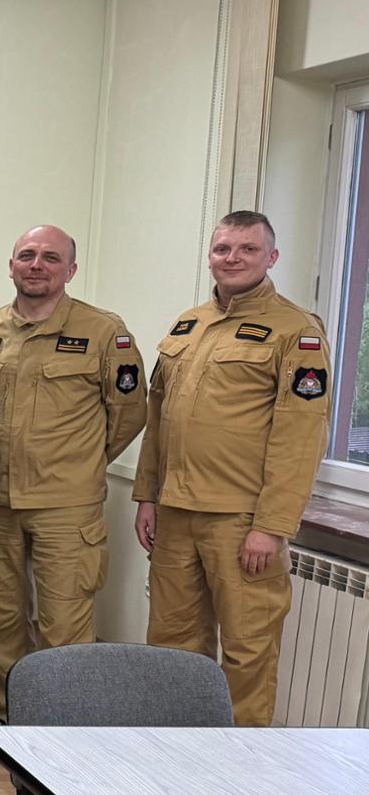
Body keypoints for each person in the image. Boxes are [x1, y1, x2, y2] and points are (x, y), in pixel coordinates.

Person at [136, 210, 332, 727]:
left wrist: (272, 526)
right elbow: (159, 419)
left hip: (242, 521)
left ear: (272, 257)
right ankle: (176, 748)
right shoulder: (189, 324)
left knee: (248, 651)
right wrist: (147, 496)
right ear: (210, 256)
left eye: (248, 249)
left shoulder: (296, 331)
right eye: (223, 248)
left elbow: (301, 436)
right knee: (172, 644)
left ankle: (240, 760)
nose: (233, 258)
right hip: (176, 513)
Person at [0, 225, 146, 761]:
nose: (36, 265)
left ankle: (61, 736)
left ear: (71, 270)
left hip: (67, 509)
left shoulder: (104, 332)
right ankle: (13, 723)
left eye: (50, 257)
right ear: (11, 265)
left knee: (64, 625)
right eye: (27, 255)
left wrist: (78, 464)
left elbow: (129, 414)